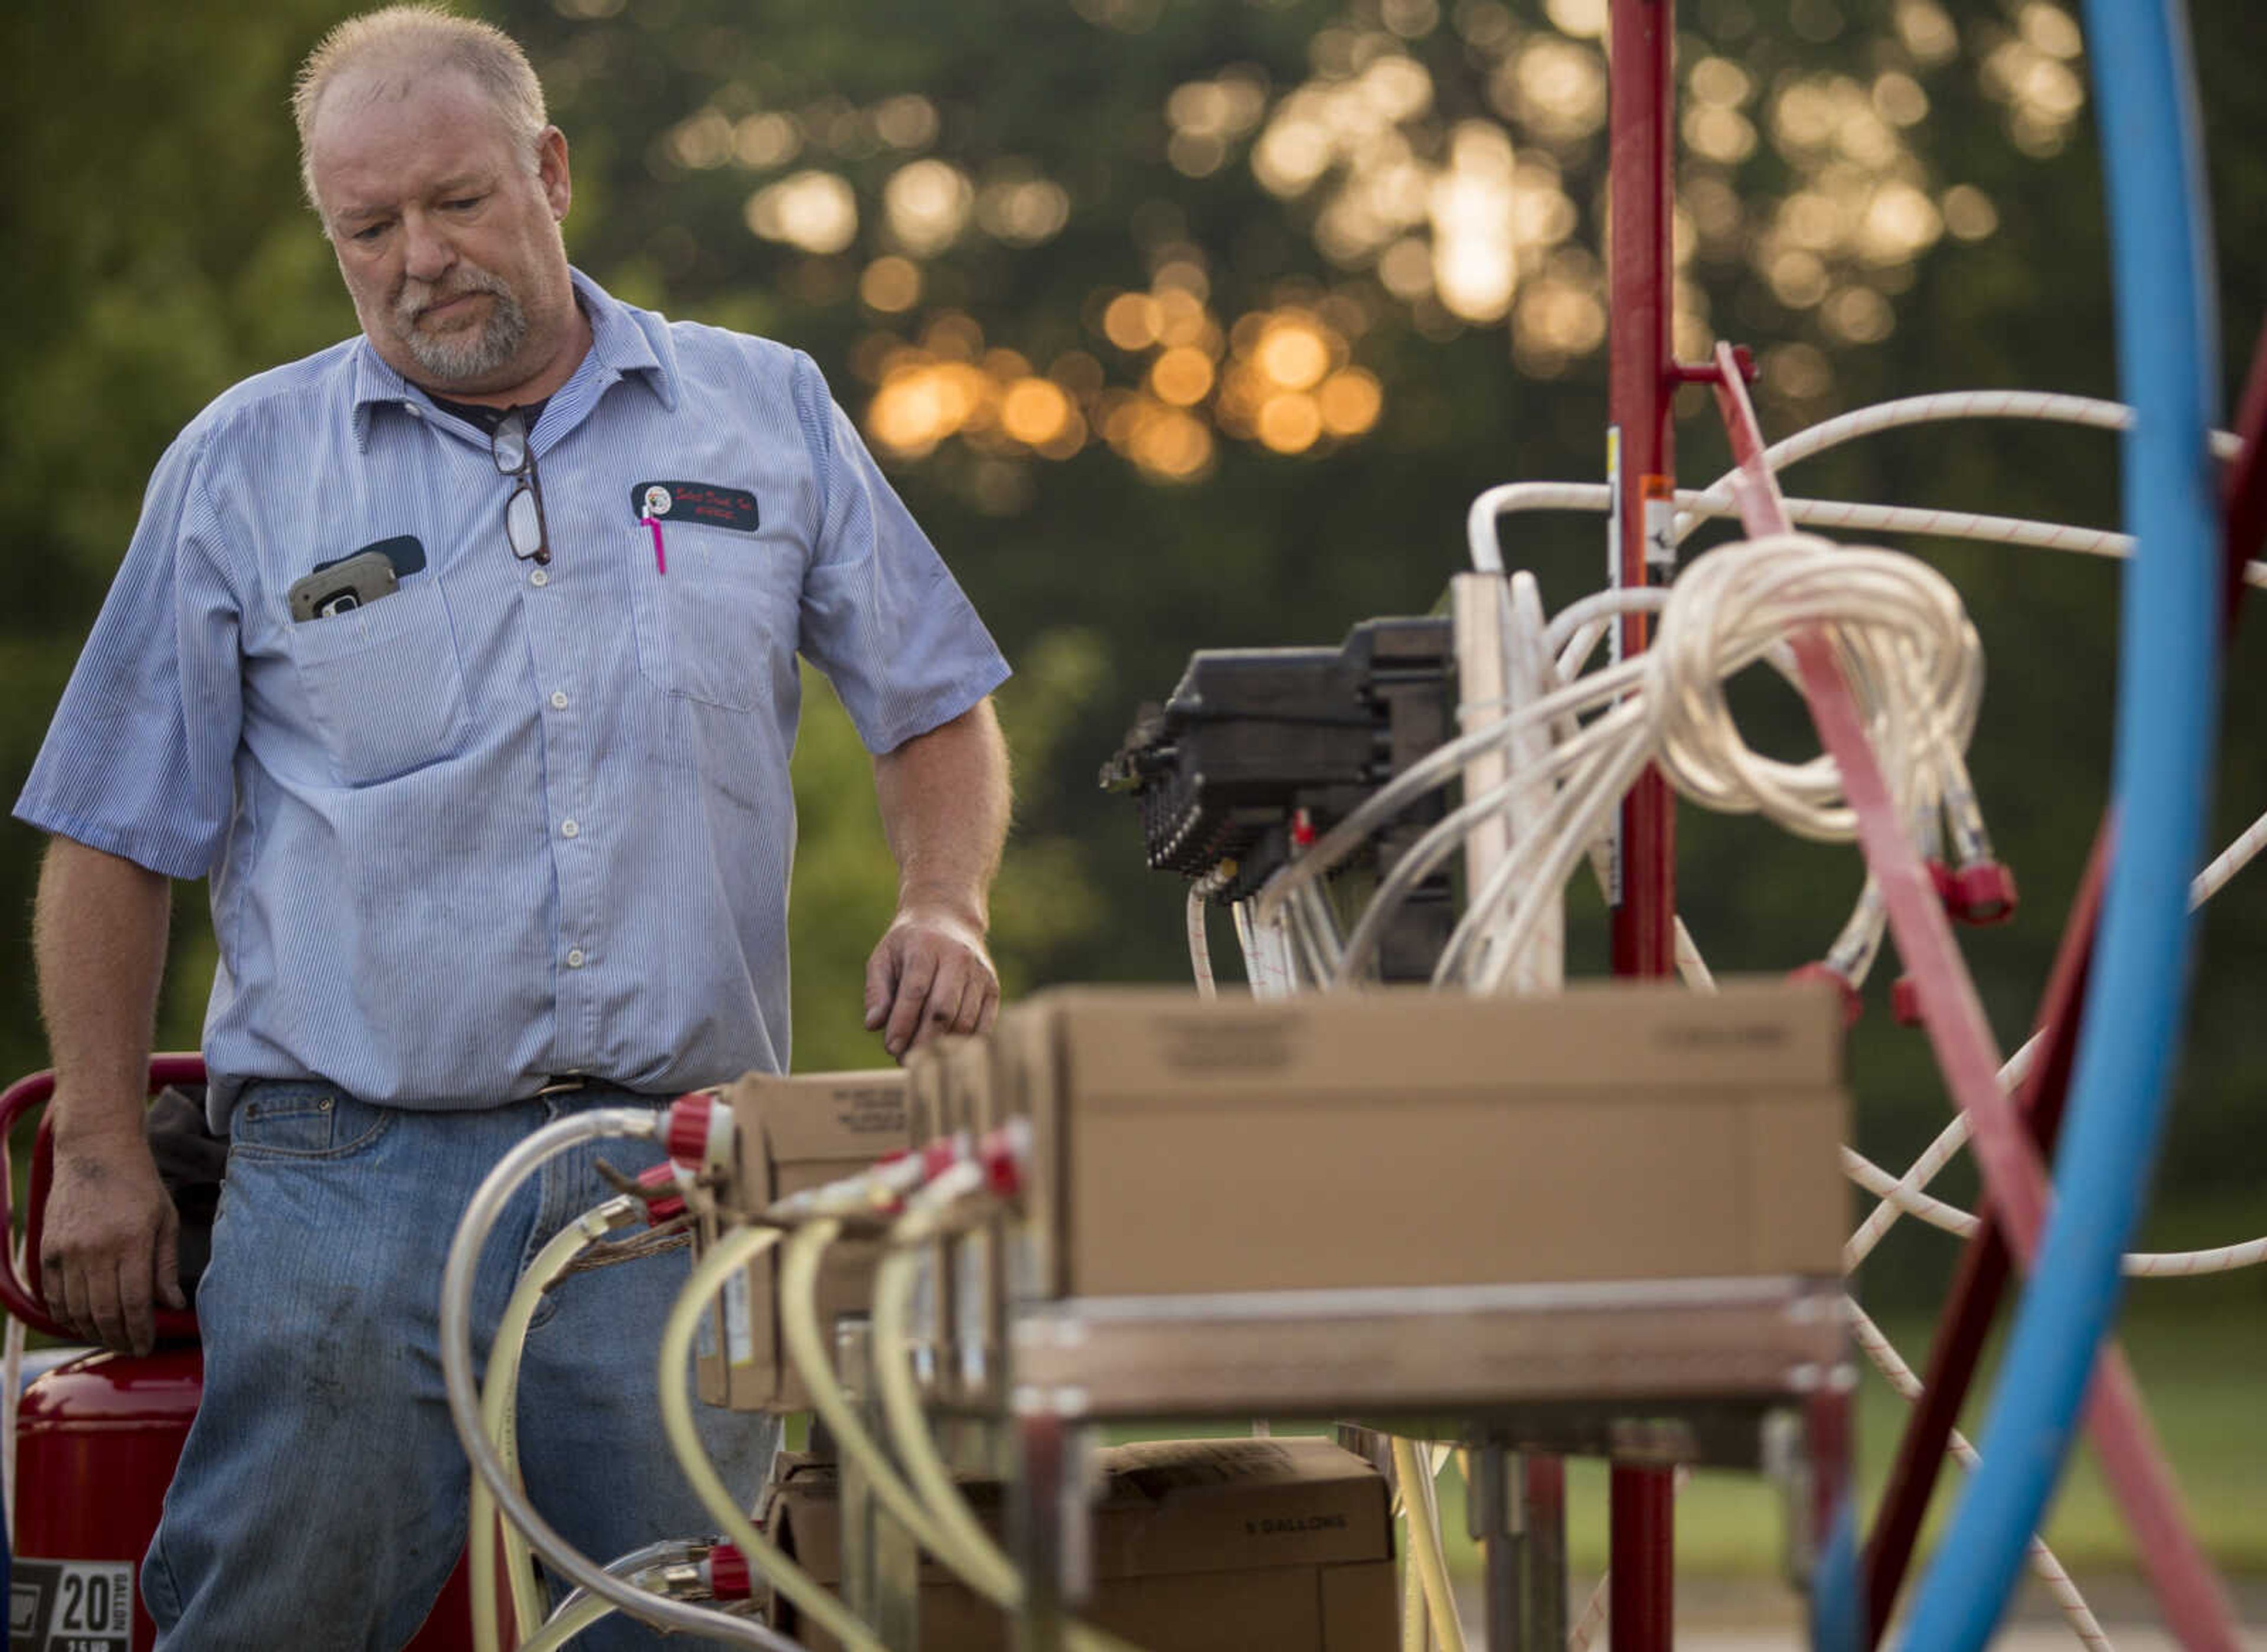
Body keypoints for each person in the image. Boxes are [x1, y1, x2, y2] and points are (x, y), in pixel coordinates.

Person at [14, 5, 1012, 1647]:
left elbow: (934, 701)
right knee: (274, 1619)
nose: (421, 258)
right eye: (369, 227)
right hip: (344, 1177)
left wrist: (948, 905)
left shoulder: (762, 411)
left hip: (671, 1178)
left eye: (459, 202)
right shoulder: (242, 469)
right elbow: (111, 835)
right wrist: (105, 1152)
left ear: (550, 171)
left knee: (688, 1626)